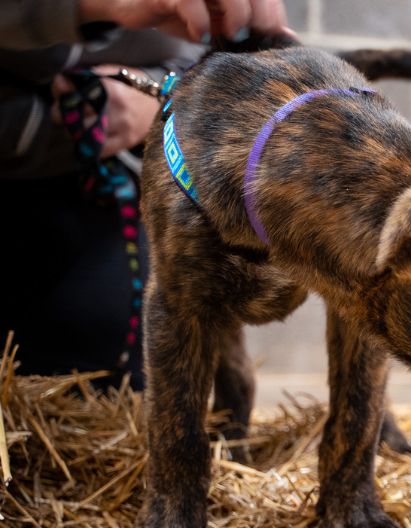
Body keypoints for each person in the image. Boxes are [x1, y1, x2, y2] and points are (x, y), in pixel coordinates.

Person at [0, 0, 289, 388]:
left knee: (117, 362)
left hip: (102, 180)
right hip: (32, 167)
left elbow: (198, 59)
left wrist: (158, 96)